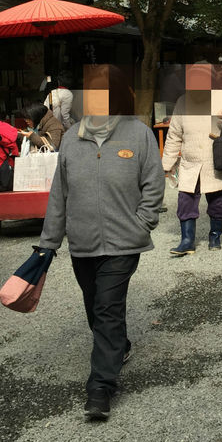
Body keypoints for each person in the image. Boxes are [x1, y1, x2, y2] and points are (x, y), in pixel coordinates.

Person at [38, 64, 164, 421]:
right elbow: (59, 194)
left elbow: (154, 185)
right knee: (95, 305)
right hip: (83, 242)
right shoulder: (72, 137)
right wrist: (49, 241)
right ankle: (119, 346)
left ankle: (100, 386)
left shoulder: (138, 134)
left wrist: (143, 223)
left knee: (108, 307)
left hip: (125, 242)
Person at [162, 62, 222, 255]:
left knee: (218, 201)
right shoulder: (182, 101)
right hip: (190, 161)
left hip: (215, 159)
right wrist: (167, 164)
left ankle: (215, 236)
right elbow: (174, 135)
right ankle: (187, 240)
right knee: (185, 200)